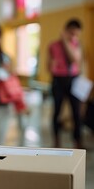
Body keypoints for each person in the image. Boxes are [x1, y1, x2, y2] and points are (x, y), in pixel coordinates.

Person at [48, 18, 83, 149]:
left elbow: (74, 59)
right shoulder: (53, 45)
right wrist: (52, 66)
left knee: (76, 113)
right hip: (58, 80)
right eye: (71, 33)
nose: (73, 36)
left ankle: (77, 142)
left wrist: (66, 42)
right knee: (57, 112)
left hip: (74, 79)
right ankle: (56, 141)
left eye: (76, 34)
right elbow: (48, 66)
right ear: (66, 30)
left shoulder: (76, 44)